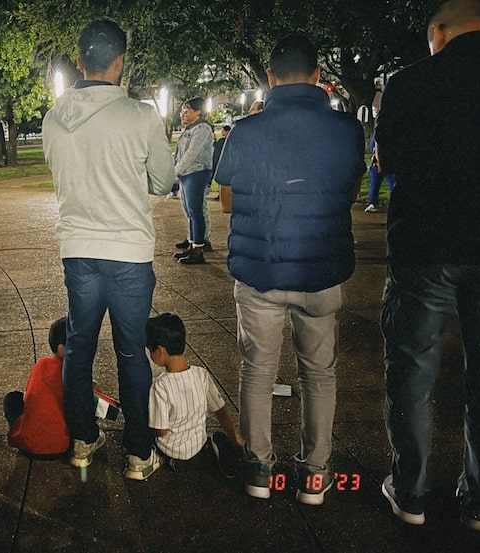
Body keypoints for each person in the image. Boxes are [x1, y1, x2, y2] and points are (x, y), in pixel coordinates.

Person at [214, 32, 365, 505]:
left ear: (271, 77)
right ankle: (315, 475)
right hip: (321, 270)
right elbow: (350, 191)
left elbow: (226, 200)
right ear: (319, 75)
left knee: (257, 370)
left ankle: (259, 468)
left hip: (261, 271)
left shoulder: (246, 130)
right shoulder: (346, 130)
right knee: (319, 373)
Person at [42, 19, 175, 480]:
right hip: (127, 251)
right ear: (121, 62)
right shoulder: (140, 115)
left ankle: (83, 439)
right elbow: (162, 180)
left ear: (80, 62)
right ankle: (139, 453)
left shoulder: (54, 117)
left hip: (78, 248)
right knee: (132, 352)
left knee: (79, 346)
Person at [375, 0, 480, 531]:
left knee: (413, 374)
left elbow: (387, 161)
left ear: (438, 33)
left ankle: (411, 490)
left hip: (425, 246)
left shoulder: (409, 83)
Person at [146, 313, 244, 476]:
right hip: (198, 448)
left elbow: (162, 431)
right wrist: (235, 438)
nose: (150, 354)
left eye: (150, 349)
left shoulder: (160, 386)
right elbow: (220, 410)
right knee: (216, 436)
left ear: (161, 351)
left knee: (142, 431)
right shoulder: (201, 375)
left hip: (172, 455)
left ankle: (154, 460)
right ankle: (212, 453)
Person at [4, 316, 70, 456]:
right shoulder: (73, 371)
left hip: (29, 445)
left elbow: (29, 396)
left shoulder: (42, 364)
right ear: (62, 349)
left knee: (12, 398)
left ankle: (25, 429)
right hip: (63, 445)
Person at [172, 97, 215, 265]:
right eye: (183, 109)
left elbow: (192, 154)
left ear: (198, 111)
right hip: (187, 174)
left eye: (187, 109)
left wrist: (175, 172)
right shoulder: (190, 129)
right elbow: (179, 154)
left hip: (196, 173)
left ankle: (198, 249)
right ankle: (192, 244)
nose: (183, 113)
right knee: (190, 212)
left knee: (196, 212)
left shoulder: (202, 128)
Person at [364, 133, 395, 213]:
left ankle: (373, 202)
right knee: (392, 184)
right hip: (386, 163)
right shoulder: (390, 136)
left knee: (375, 183)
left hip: (378, 163)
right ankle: (373, 202)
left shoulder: (377, 135)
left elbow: (372, 149)